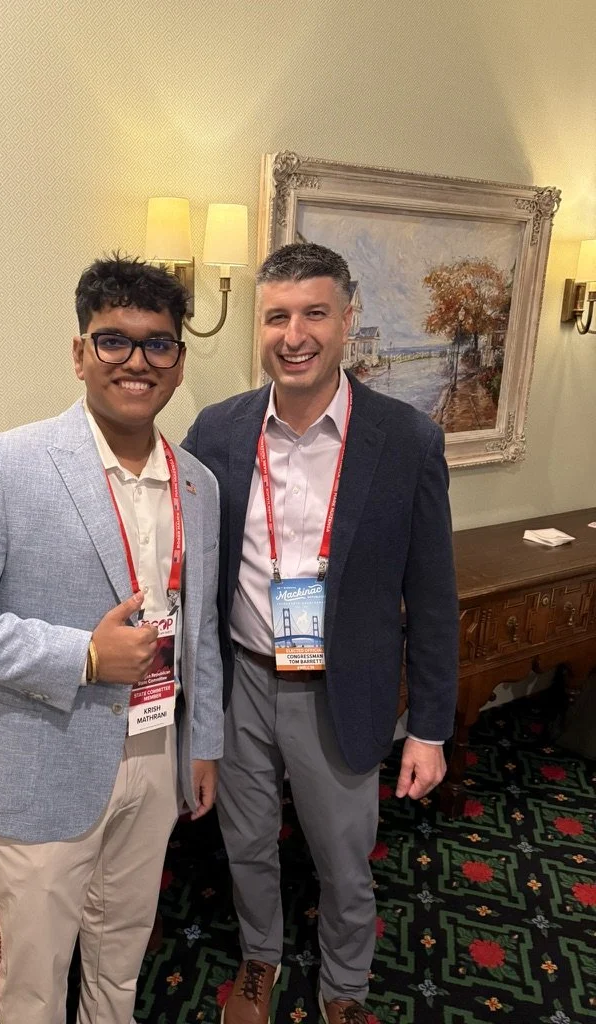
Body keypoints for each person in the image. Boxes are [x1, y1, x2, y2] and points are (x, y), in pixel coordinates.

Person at [0, 256, 224, 1024]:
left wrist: (202, 743)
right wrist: (82, 655)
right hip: (44, 760)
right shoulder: (7, 464)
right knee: (36, 979)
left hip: (156, 752)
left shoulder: (199, 483)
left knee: (123, 948)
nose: (137, 361)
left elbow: (200, 628)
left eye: (158, 343)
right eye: (114, 340)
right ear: (80, 353)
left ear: (179, 363)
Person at [183, 242, 458, 1024]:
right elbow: (189, 566)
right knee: (245, 842)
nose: (294, 334)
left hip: (341, 688)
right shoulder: (217, 430)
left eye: (314, 314)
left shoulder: (406, 440)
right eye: (277, 316)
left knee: (343, 855)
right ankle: (260, 958)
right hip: (240, 680)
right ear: (260, 326)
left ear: (346, 319)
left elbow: (432, 596)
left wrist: (430, 728)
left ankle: (346, 986)